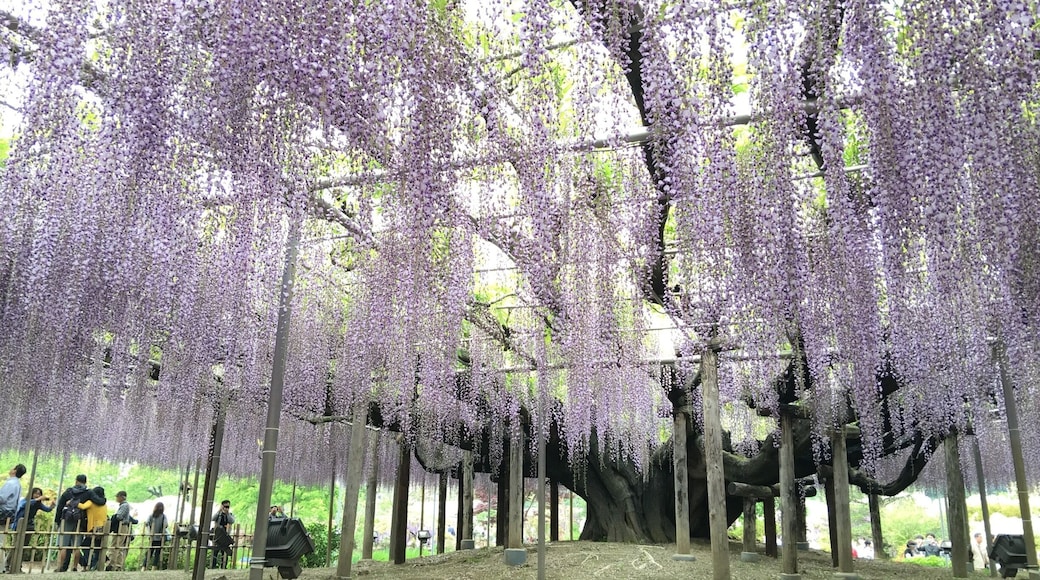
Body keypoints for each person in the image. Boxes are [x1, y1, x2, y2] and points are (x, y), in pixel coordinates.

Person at [54, 474, 105, 572]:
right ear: (85, 482)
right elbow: (100, 501)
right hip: (79, 521)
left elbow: (60, 507)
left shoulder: (68, 492)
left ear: (76, 481)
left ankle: (60, 567)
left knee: (63, 546)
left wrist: (57, 521)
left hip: (67, 520)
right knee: (76, 546)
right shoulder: (88, 493)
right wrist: (104, 499)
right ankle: (74, 567)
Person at [77, 487, 108, 570]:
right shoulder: (104, 504)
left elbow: (82, 506)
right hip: (103, 528)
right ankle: (97, 563)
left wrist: (73, 502)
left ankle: (89, 563)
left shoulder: (91, 502)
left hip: (93, 528)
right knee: (98, 547)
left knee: (85, 546)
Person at [107, 491, 138, 571]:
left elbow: (119, 516)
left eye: (118, 496)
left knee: (115, 546)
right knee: (119, 547)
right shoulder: (125, 505)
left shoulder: (124, 506)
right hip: (123, 527)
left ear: (122, 497)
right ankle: (118, 565)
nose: (117, 498)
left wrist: (114, 517)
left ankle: (112, 564)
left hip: (121, 527)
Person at [210, 500, 235, 568]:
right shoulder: (218, 514)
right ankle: (213, 566)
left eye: (227, 506)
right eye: (225, 506)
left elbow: (232, 521)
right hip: (218, 535)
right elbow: (213, 518)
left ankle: (223, 566)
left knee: (225, 551)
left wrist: (227, 513)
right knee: (215, 551)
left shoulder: (230, 515)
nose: (226, 508)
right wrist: (219, 511)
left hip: (225, 535)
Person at [144, 502, 168, 571]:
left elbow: (147, 524)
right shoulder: (163, 516)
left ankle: (144, 566)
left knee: (149, 552)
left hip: (152, 537)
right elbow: (166, 525)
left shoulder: (151, 515)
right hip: (160, 537)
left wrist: (149, 533)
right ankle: (153, 568)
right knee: (157, 553)